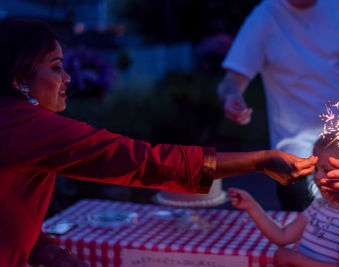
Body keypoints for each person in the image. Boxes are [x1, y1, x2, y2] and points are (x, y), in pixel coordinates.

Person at [0, 19, 318, 267]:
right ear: (19, 79)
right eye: (56, 68)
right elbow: (141, 161)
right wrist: (258, 160)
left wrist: (50, 253)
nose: (68, 78)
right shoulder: (25, 127)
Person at [218, 0, 339, 211]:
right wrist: (232, 95)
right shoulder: (264, 17)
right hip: (299, 158)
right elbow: (231, 80)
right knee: (310, 235)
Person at [228, 133, 339, 266]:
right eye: (316, 169)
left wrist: (296, 259)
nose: (317, 176)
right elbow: (283, 235)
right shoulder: (319, 206)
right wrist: (251, 206)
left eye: (326, 170)